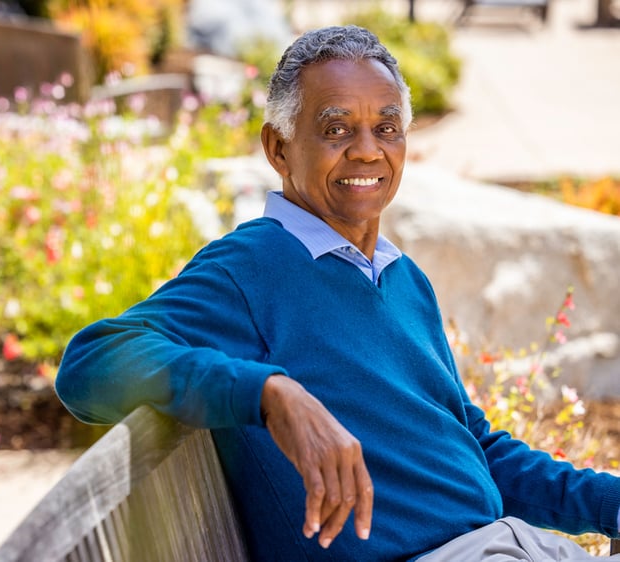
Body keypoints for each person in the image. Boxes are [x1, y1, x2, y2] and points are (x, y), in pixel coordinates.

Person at [55, 25, 620, 561]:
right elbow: (89, 362)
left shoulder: (401, 277)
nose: (368, 151)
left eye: (387, 127)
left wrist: (608, 503)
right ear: (278, 149)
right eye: (336, 128)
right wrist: (270, 394)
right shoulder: (250, 267)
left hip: (508, 544)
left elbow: (472, 445)